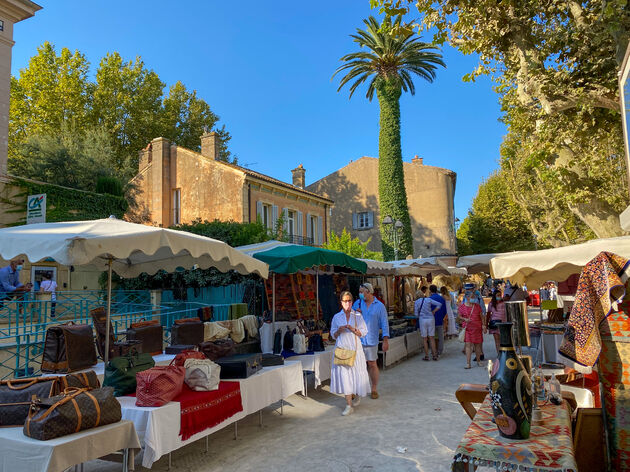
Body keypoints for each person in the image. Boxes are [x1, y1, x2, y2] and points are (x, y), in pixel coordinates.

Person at [330, 291, 370, 416]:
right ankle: (348, 404)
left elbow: (364, 332)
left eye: (349, 301)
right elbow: (333, 335)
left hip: (356, 351)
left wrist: (353, 329)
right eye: (344, 301)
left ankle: (357, 394)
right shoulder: (337, 317)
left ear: (352, 302)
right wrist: (339, 330)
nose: (347, 303)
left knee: (357, 374)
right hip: (342, 350)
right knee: (345, 377)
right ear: (341, 302)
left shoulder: (357, 315)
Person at [352, 282, 389, 399]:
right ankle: (356, 389)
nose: (360, 294)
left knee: (372, 364)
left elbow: (384, 323)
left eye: (362, 292)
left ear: (369, 292)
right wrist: (356, 314)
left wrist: (385, 340)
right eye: (359, 292)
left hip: (372, 340)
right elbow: (349, 319)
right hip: (358, 340)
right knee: (356, 365)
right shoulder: (357, 303)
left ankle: (374, 388)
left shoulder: (379, 306)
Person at [458, 283, 486, 369]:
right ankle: (468, 363)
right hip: (468, 328)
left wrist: (484, 325)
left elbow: (482, 316)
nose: (473, 299)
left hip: (477, 328)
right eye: (472, 298)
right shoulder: (462, 307)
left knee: (477, 345)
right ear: (467, 298)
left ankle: (478, 360)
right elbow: (458, 317)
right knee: (468, 346)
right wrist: (464, 319)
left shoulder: (477, 307)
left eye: (474, 297)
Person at [415, 287, 442, 361]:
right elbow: (439, 304)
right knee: (432, 337)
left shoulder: (416, 302)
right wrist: (434, 311)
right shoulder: (428, 299)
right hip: (431, 319)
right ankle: (435, 355)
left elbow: (416, 314)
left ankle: (427, 356)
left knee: (424, 339)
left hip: (422, 320)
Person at [486, 289, 506, 356]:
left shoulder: (504, 303)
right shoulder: (491, 304)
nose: (499, 296)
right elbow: (488, 314)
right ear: (494, 296)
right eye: (497, 295)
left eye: (500, 295)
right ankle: (499, 354)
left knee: (503, 340)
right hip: (494, 324)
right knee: (497, 340)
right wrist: (486, 324)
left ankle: (503, 353)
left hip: (503, 324)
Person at [429, 285, 447, 355]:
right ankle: (440, 350)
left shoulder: (429, 299)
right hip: (440, 320)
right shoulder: (441, 299)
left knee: (432, 336)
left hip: (431, 320)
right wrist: (441, 317)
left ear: (430, 290)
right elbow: (445, 310)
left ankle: (433, 350)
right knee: (440, 336)